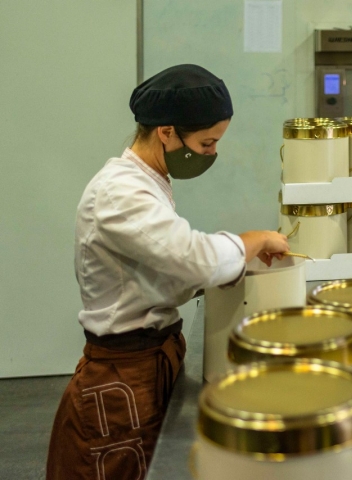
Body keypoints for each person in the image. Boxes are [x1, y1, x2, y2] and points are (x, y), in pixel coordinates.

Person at [46, 64, 288, 479]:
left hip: (151, 358)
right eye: (207, 142)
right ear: (166, 132)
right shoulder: (120, 193)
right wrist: (252, 241)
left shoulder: (150, 181)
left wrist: (237, 265)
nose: (211, 153)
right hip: (122, 376)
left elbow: (169, 267)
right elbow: (194, 258)